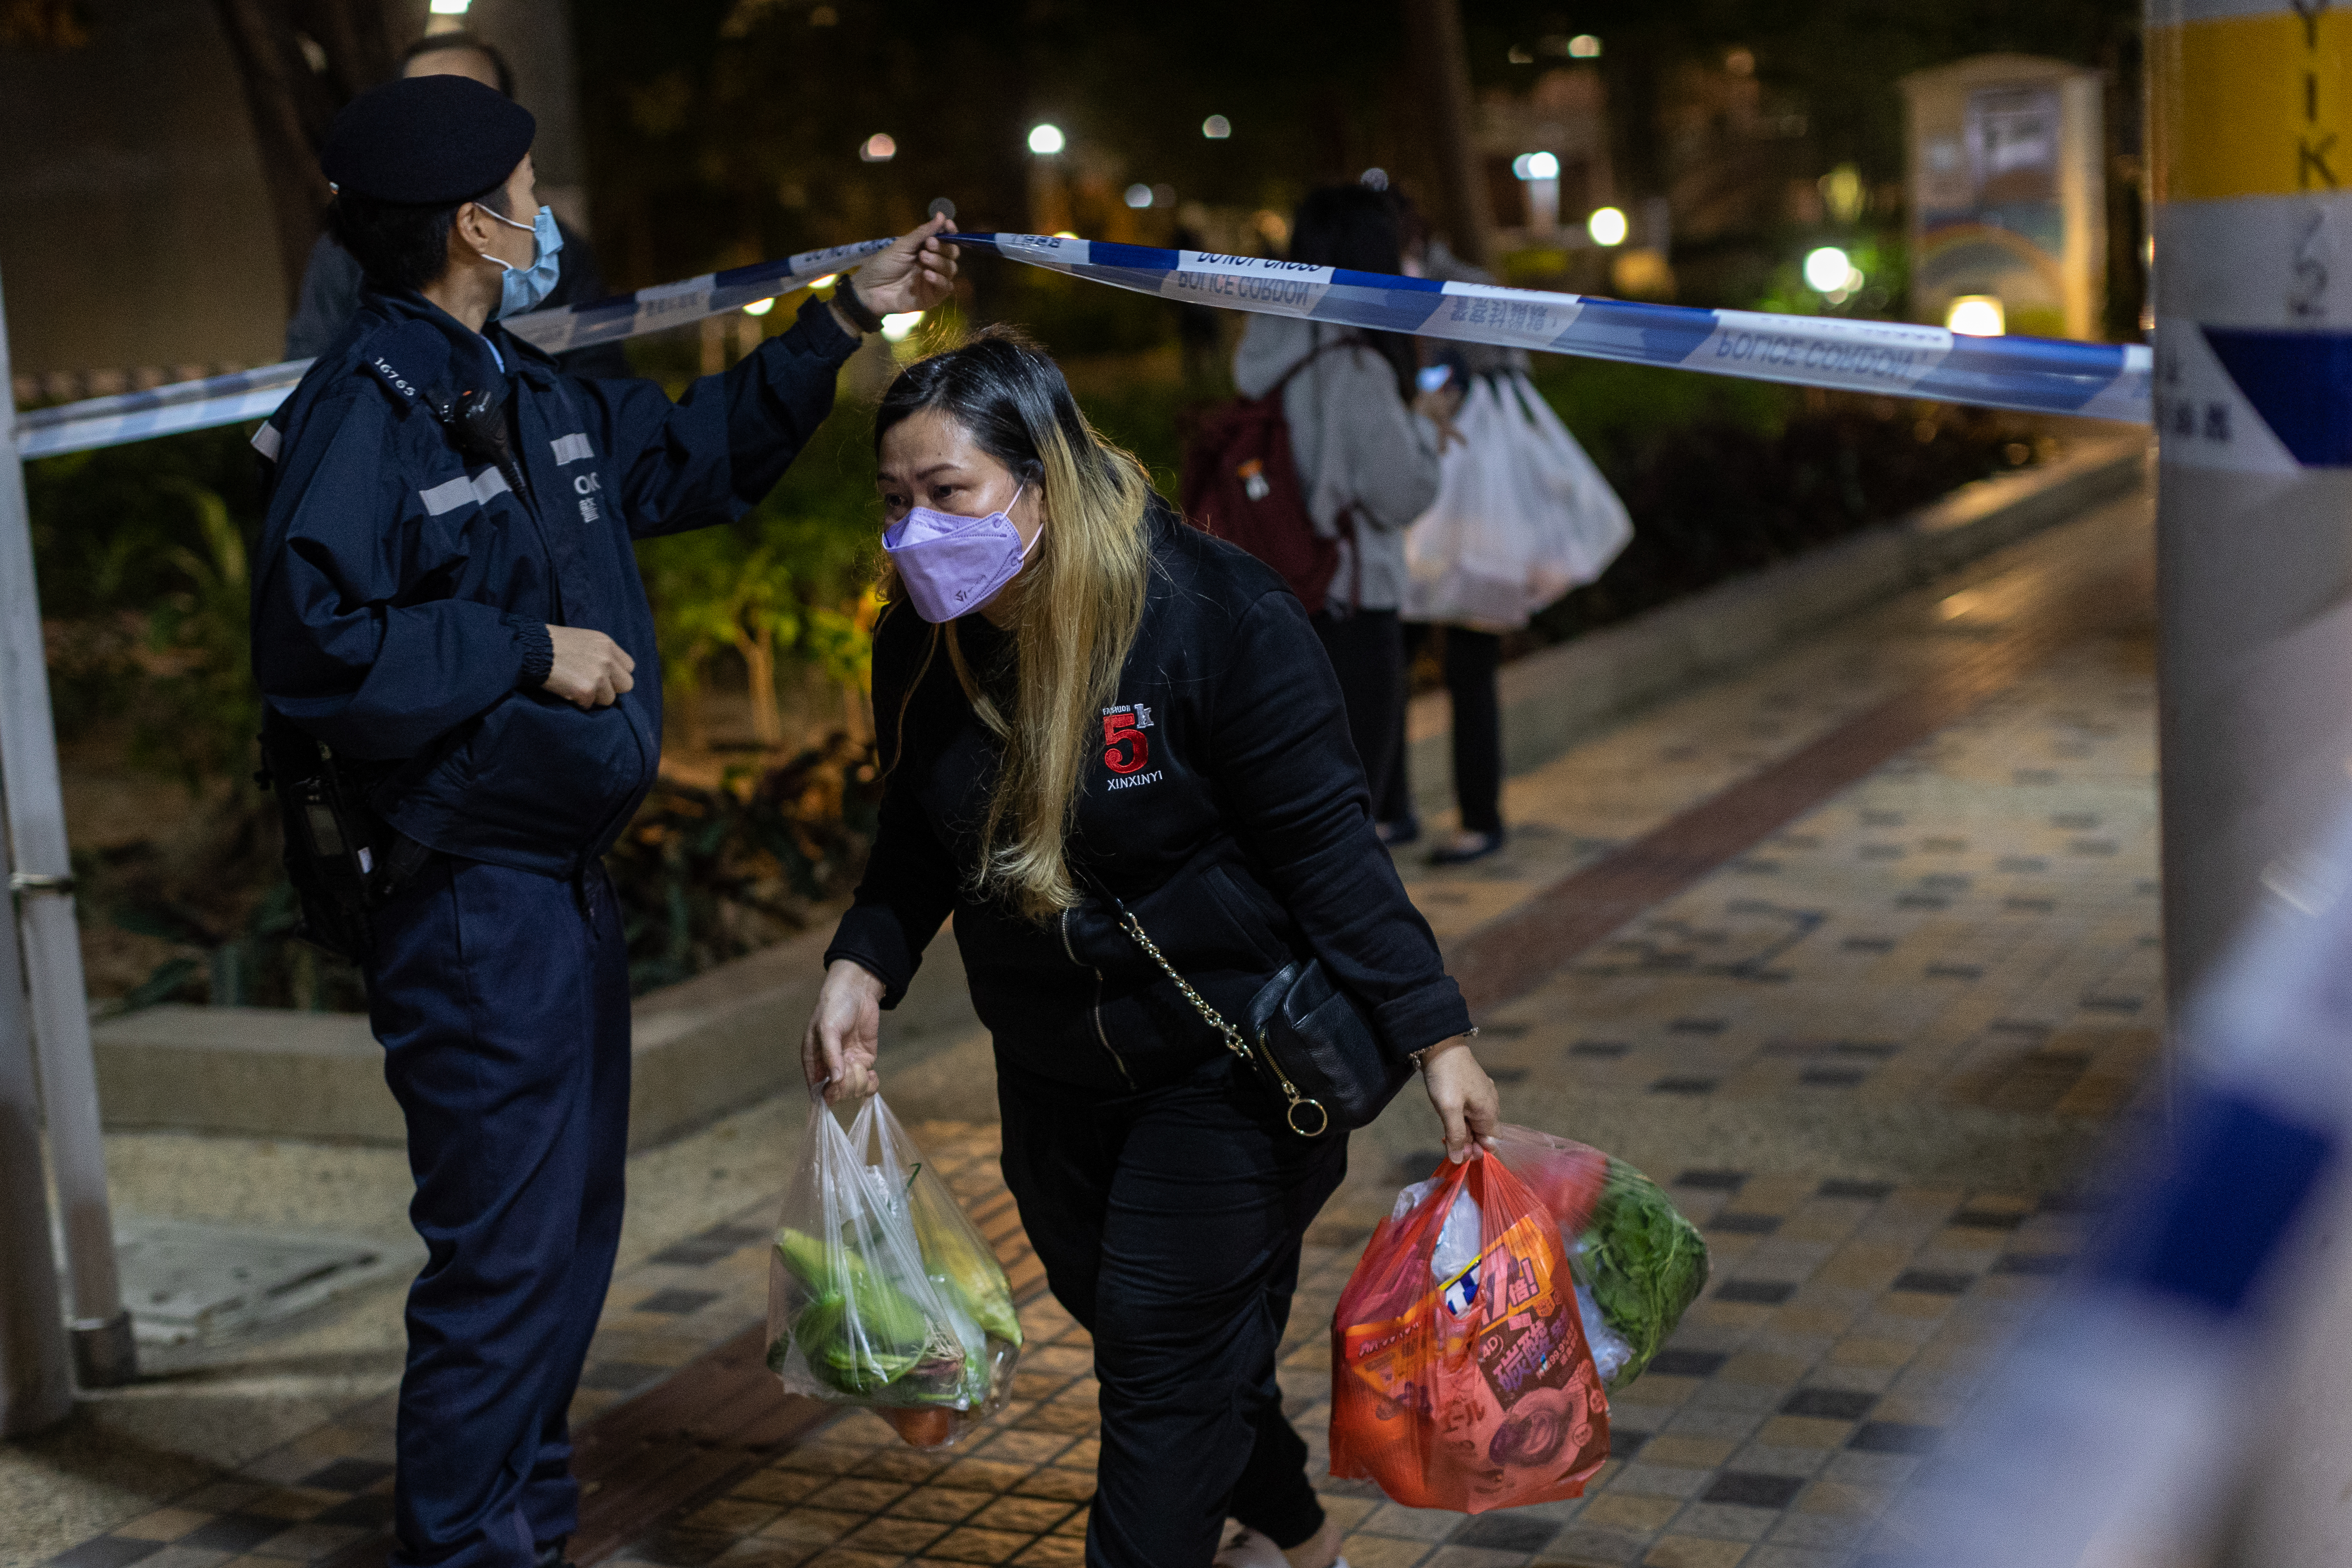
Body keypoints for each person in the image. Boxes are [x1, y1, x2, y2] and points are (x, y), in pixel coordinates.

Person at [247, 74, 956, 1568]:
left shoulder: (523, 385)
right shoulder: (363, 413)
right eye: (525, 193)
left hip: (556, 892)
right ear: (472, 227)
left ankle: (526, 1535)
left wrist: (844, 316)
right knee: (503, 1267)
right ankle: (467, 1548)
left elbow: (692, 456)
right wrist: (520, 651)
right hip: (463, 903)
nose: (544, 214)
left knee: (562, 1251)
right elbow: (317, 645)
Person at [800, 332, 1502, 1568]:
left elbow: (1327, 848)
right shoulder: (920, 635)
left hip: (1229, 1063)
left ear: (1043, 479)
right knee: (1153, 1333)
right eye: (893, 499)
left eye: (946, 494)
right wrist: (864, 960)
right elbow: (918, 834)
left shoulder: (1211, 615)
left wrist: (1434, 1032)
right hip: (1053, 1066)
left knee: (1161, 1355)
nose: (914, 531)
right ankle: (1297, 1535)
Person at [1230, 186, 1459, 846]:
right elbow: (1399, 492)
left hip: (1274, 589)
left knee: (1300, 796)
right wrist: (1423, 427)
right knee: (1349, 816)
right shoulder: (1355, 360)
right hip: (1350, 597)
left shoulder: (1265, 335)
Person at [283, 30, 630, 379]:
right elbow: (311, 372)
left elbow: (599, 380)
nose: (448, 128)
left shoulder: (559, 252)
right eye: (426, 112)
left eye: (471, 107)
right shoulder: (346, 255)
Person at [1381, 207, 1532, 866]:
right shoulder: (1368, 286)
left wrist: (1449, 385)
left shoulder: (1463, 284)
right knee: (1387, 661)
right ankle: (1390, 810)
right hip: (1408, 506)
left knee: (1469, 663)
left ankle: (1480, 817)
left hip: (1470, 504)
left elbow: (1507, 368)